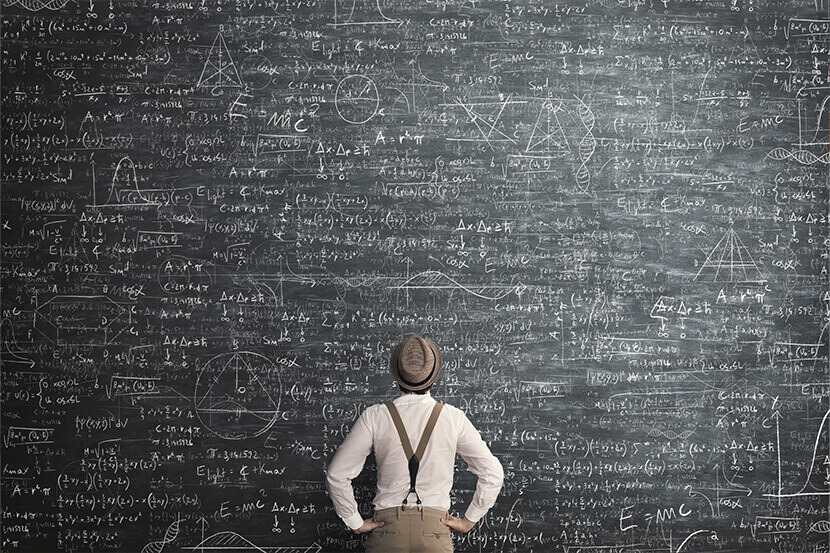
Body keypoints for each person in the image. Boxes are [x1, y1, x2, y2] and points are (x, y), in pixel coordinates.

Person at [324, 334, 504, 553]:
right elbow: (493, 472)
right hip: (435, 529)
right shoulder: (453, 417)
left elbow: (336, 474)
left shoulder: (375, 416)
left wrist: (355, 521)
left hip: (388, 530)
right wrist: (469, 520)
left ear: (396, 375)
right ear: (433, 376)